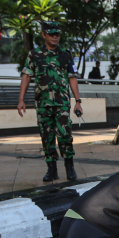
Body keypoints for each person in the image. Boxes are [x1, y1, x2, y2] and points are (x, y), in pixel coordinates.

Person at [18, 21, 82, 183]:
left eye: (57, 34)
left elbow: (72, 78)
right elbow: (26, 76)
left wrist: (78, 101)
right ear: (44, 35)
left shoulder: (65, 55)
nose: (55, 37)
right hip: (43, 104)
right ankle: (51, 169)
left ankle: (70, 167)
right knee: (46, 137)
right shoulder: (35, 54)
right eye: (51, 34)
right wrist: (21, 100)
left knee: (65, 135)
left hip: (62, 104)